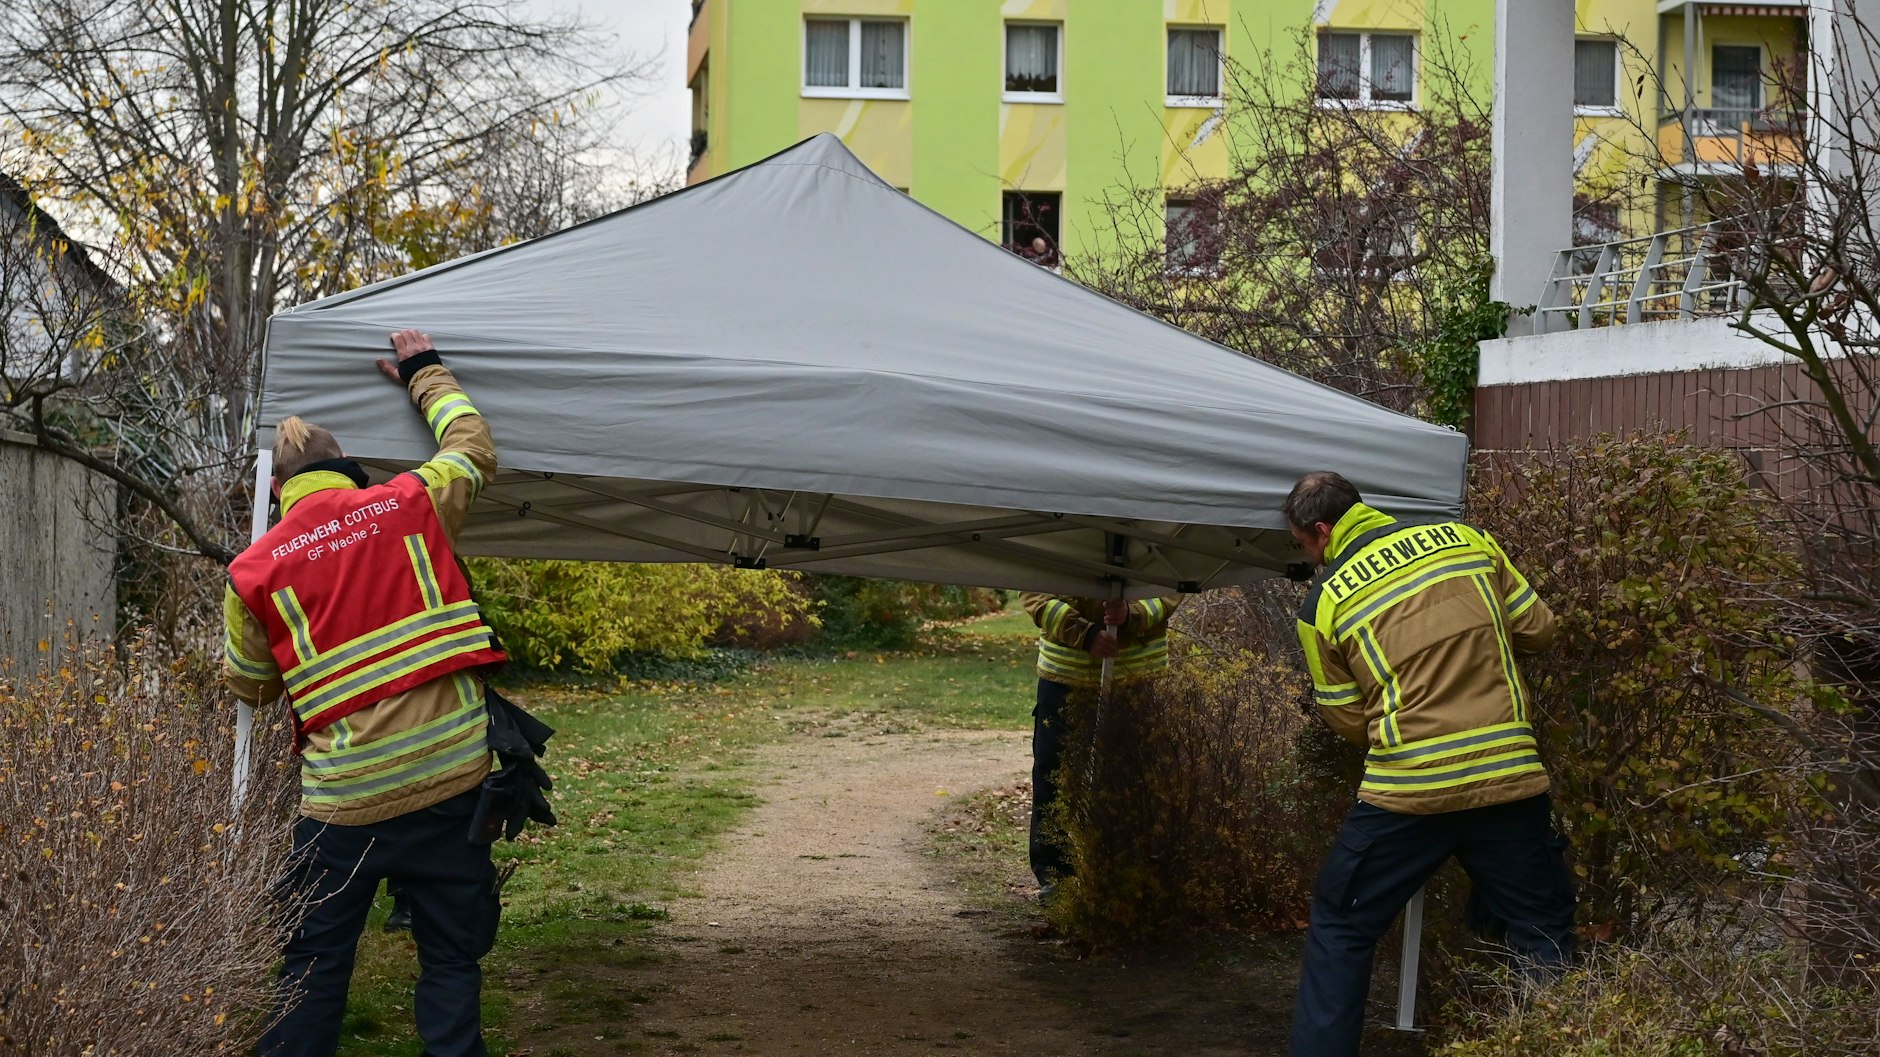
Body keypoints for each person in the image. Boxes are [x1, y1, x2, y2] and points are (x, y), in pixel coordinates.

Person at [224, 329, 506, 1057]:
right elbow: (473, 447)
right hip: (450, 775)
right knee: (451, 957)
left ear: (280, 491)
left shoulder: (253, 571)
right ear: (346, 469)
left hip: (345, 799)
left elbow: (250, 684)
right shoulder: (411, 502)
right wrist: (424, 372)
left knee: (312, 966)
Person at [1282, 471, 1576, 1057]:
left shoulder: (1323, 603)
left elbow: (1348, 720)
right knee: (1540, 927)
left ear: (1322, 531)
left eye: (1303, 545)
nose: (1308, 558)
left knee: (1341, 925)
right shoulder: (1470, 542)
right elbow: (1541, 631)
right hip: (1506, 778)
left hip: (1407, 792)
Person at [1017, 591, 1180, 897]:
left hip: (1134, 674)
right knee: (1054, 774)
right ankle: (1056, 877)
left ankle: (1124, 873)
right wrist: (1085, 633)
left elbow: (1172, 587)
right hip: (1064, 674)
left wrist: (1132, 614)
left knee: (1133, 779)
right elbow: (1033, 590)